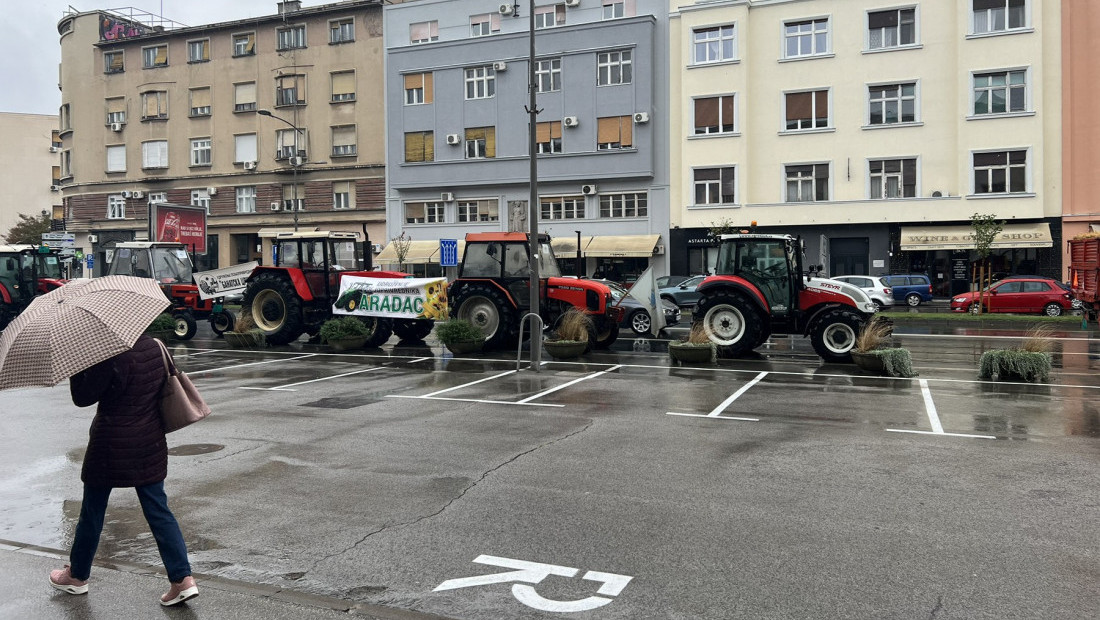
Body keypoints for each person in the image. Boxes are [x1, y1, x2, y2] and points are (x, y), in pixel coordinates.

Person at [49, 335, 198, 607]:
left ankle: (77, 576)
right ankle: (182, 579)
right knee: (158, 509)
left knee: (92, 511)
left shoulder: (106, 354)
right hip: (149, 440)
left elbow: (82, 398)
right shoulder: (156, 346)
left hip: (110, 442)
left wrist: (76, 365)